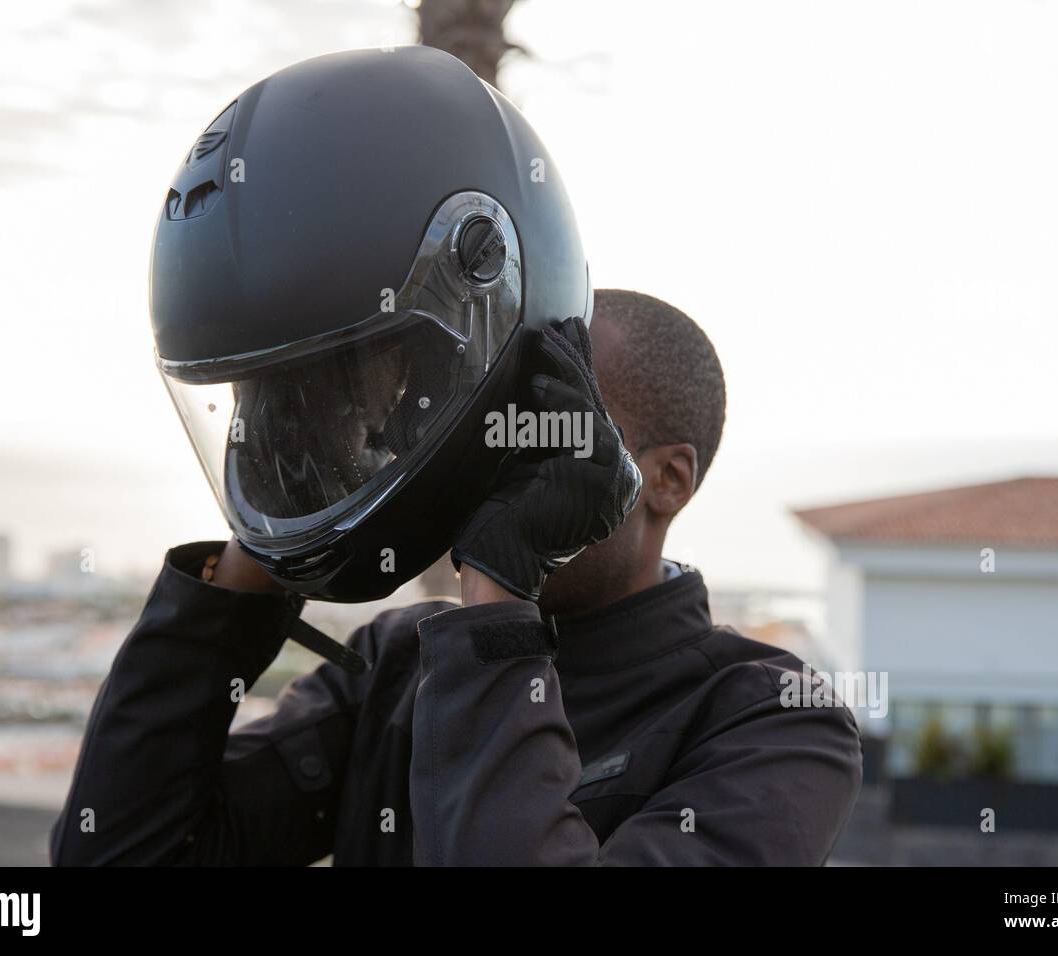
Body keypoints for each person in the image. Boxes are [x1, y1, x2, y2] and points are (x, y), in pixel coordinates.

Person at [51, 289, 863, 866]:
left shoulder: (771, 722)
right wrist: (274, 515)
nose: (493, 468)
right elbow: (119, 852)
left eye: (547, 431)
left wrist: (505, 594)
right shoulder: (398, 664)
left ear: (668, 480)